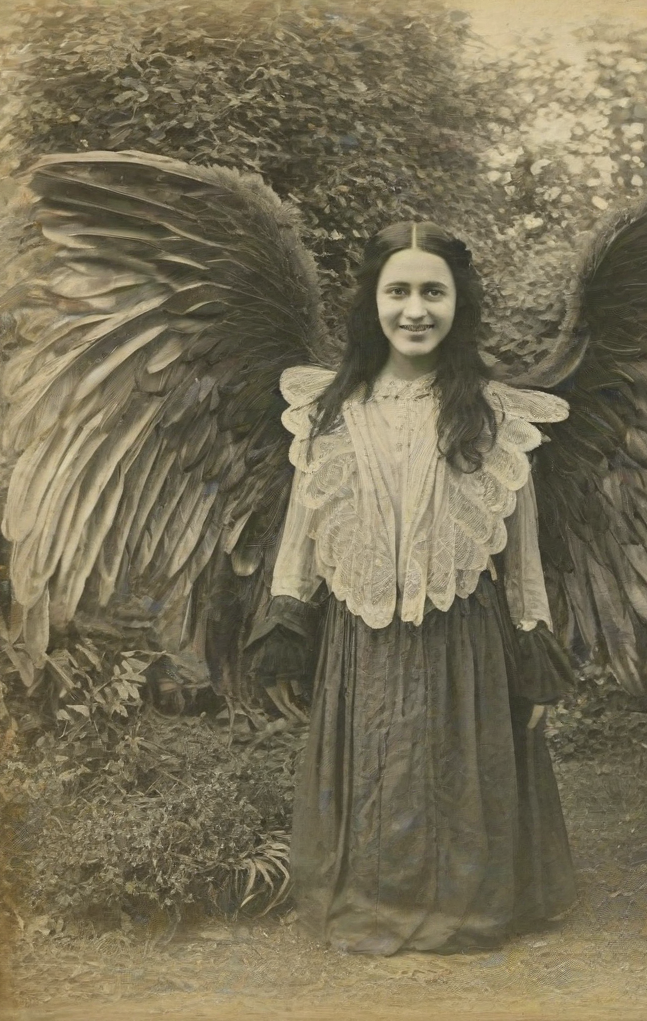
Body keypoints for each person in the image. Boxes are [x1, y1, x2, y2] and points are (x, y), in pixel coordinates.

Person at [248, 221, 577, 955]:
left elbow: (521, 552)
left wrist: (533, 647)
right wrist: (286, 619)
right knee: (380, 771)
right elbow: (302, 532)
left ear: (459, 303)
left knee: (455, 775)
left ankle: (465, 906)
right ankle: (374, 903)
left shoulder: (493, 414)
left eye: (434, 292)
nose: (415, 309)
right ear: (373, 301)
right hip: (361, 638)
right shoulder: (330, 410)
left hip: (464, 635)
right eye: (398, 291)